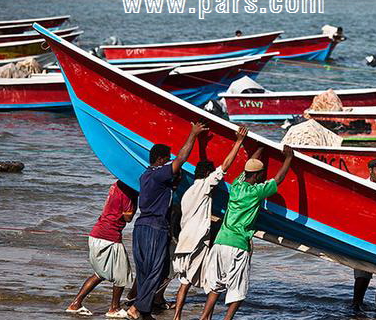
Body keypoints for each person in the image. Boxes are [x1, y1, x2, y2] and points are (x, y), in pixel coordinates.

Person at [199, 145, 295, 320]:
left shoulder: (236, 185)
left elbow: (249, 165)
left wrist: (260, 147)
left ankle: (204, 317)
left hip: (220, 242)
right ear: (258, 175)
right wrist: (289, 158)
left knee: (216, 285)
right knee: (238, 290)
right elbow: (278, 179)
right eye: (261, 173)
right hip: (238, 245)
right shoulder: (256, 192)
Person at [128, 122, 207, 320]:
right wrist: (193, 134)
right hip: (155, 227)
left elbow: (163, 192)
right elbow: (181, 159)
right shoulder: (159, 173)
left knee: (145, 270)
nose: (170, 161)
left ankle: (144, 312)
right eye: (167, 159)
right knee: (157, 269)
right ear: (161, 159)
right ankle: (137, 308)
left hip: (140, 226)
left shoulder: (146, 176)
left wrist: (173, 185)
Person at [172, 125, 249, 320]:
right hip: (197, 241)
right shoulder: (206, 186)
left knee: (185, 281)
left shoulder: (187, 192)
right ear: (207, 175)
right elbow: (225, 166)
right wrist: (239, 142)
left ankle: (177, 316)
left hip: (183, 241)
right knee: (212, 282)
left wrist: (202, 143)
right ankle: (206, 317)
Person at [66, 180, 138, 318]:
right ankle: (114, 308)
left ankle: (76, 304)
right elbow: (128, 217)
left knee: (100, 273)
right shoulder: (130, 192)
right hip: (109, 236)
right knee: (122, 275)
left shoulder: (117, 184)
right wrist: (136, 201)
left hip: (97, 234)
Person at [352, 159, 376, 311]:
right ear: (370, 170)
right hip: (362, 237)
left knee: (367, 273)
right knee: (362, 272)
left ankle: (357, 304)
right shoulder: (362, 187)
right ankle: (355, 304)